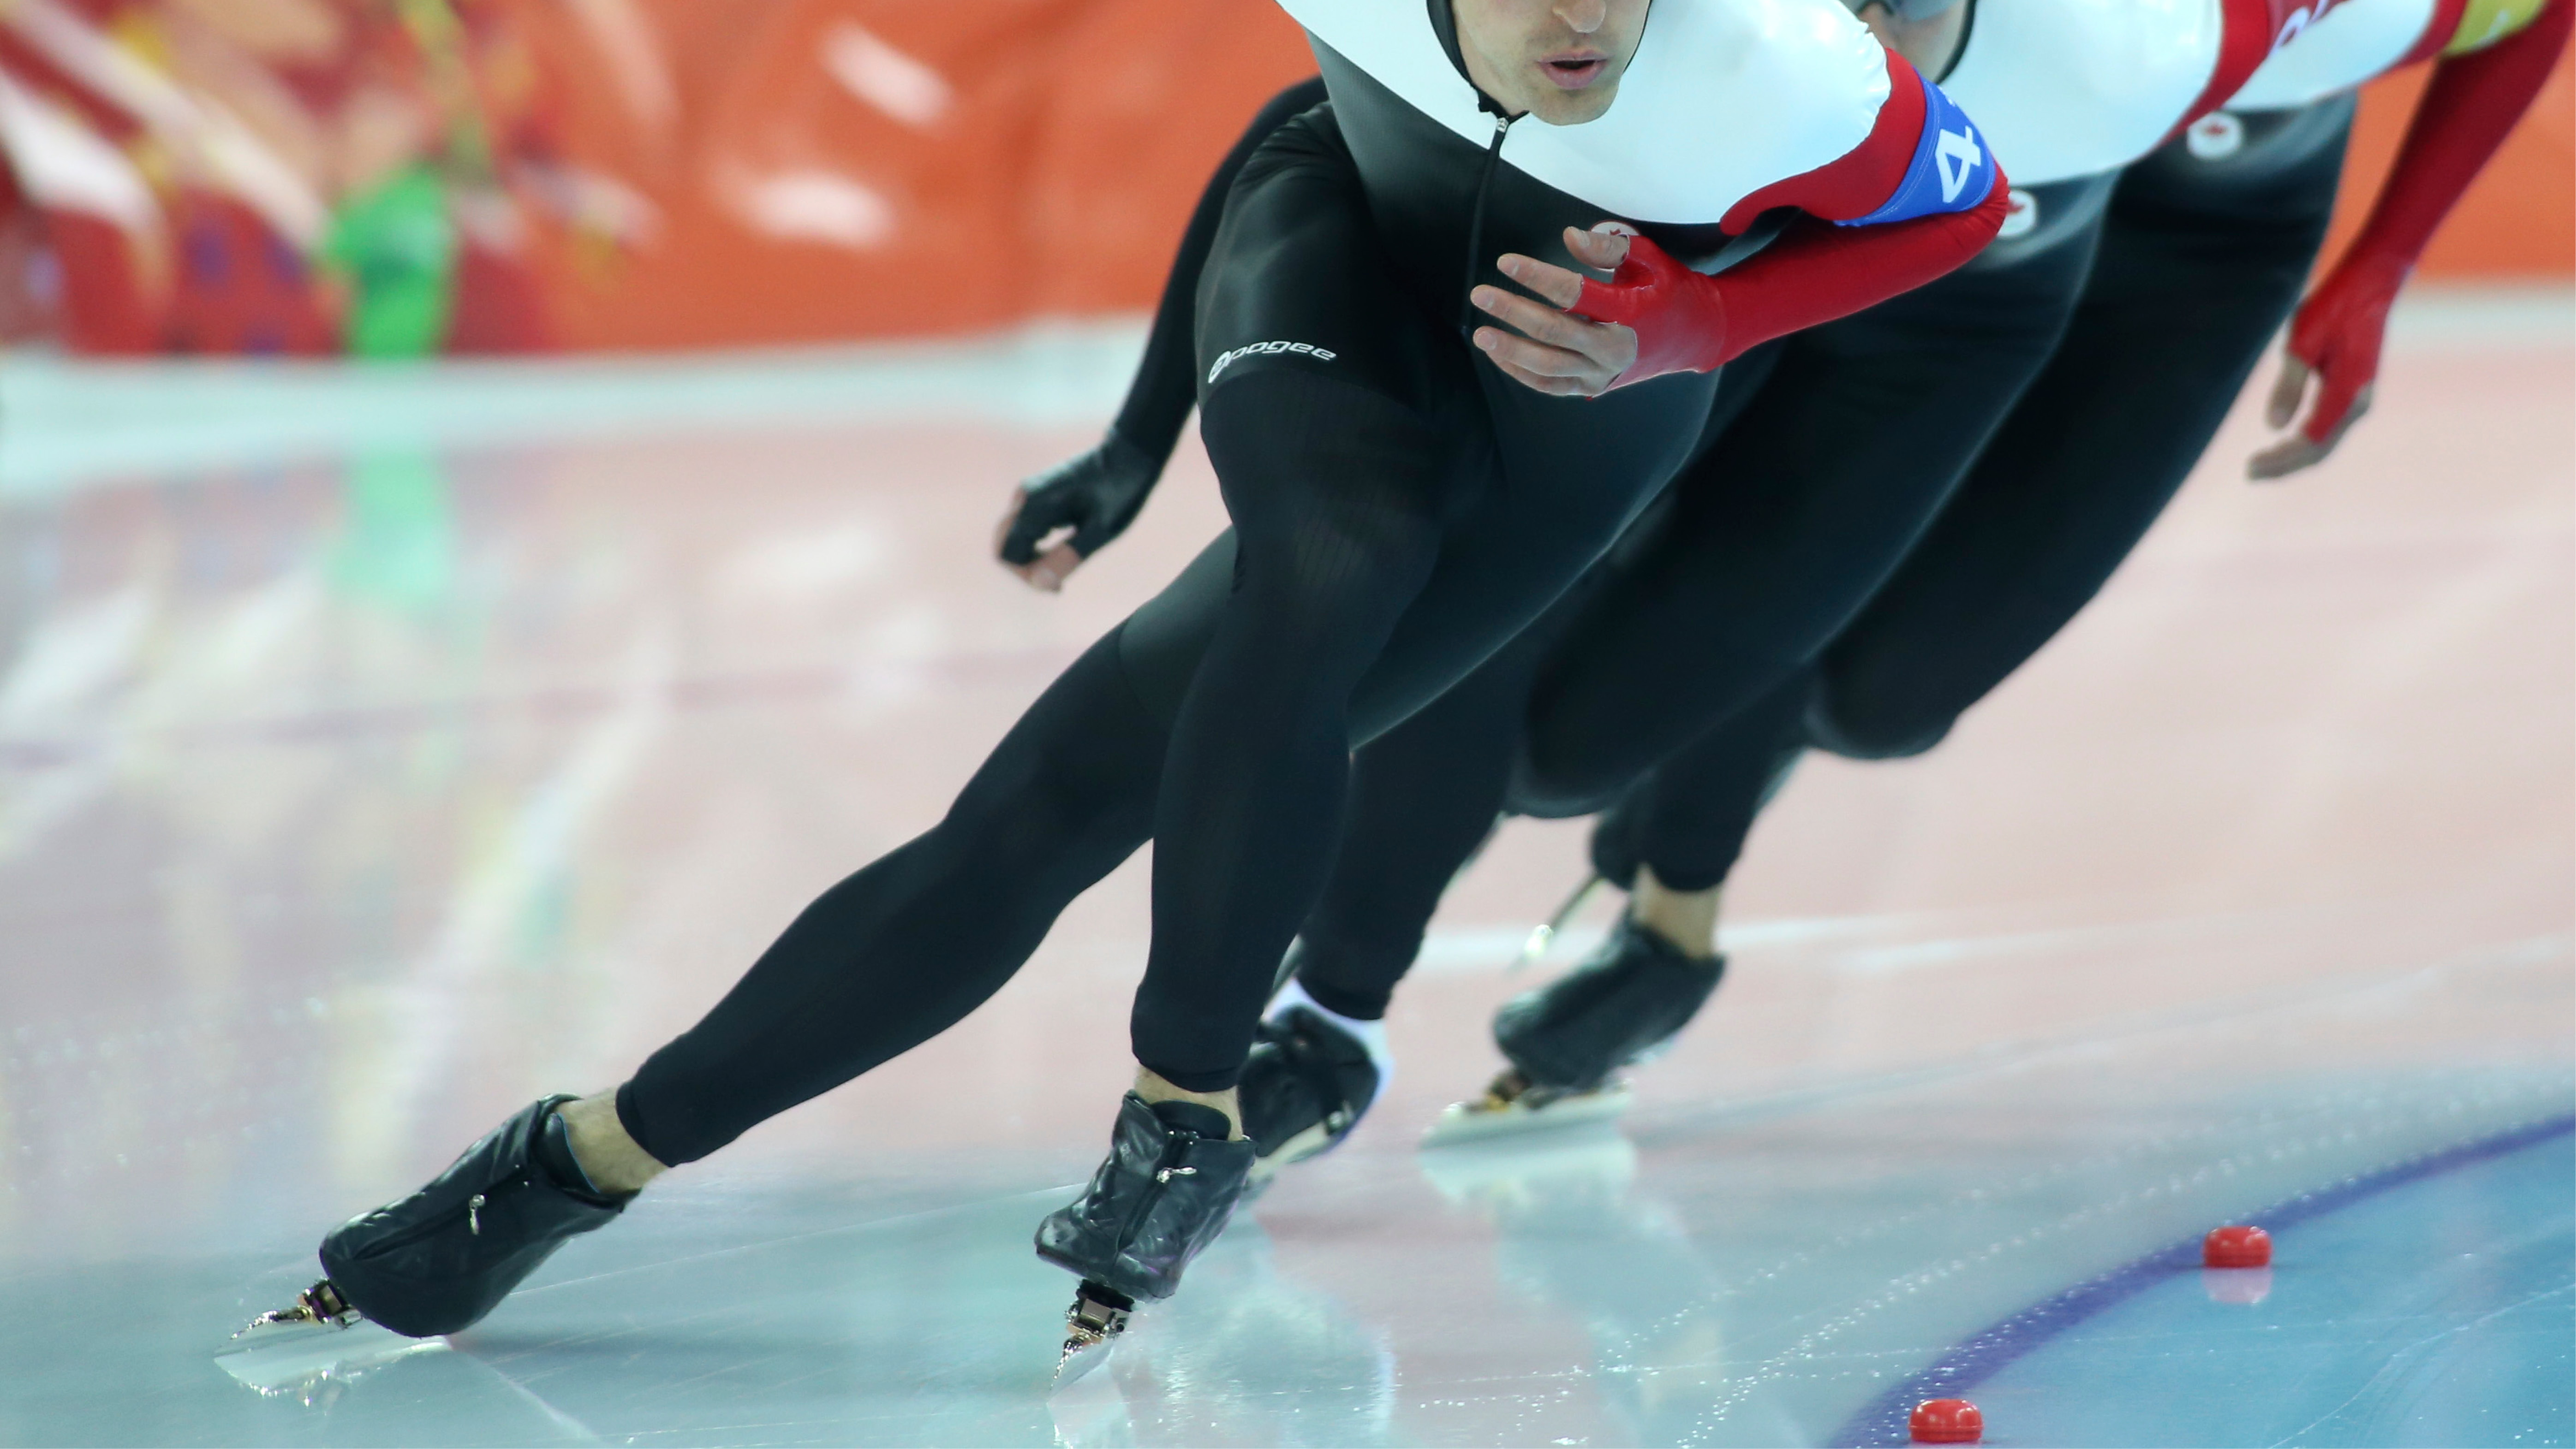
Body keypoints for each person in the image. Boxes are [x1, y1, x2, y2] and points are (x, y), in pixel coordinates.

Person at [247, 0, 2009, 1374]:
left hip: (1585, 375)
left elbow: (1971, 207)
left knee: (1045, 817)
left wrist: (1706, 324)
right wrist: (1133, 439)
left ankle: (582, 1154)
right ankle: (1181, 1111)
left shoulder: (1786, 77)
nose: (1589, 28)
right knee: (1331, 555)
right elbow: (1301, 106)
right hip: (1334, 246)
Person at [995, 0, 2570, 1161]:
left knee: (1884, 698)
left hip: (2146, 223)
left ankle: (1676, 879)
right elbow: (1346, 110)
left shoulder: (2133, 45)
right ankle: (1337, 1012)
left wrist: (2383, 262)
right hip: (1836, 223)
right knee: (1523, 608)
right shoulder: (1722, 40)